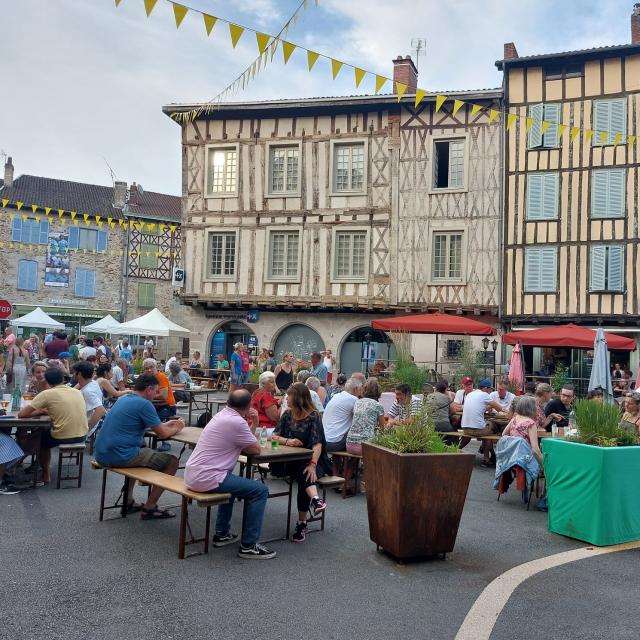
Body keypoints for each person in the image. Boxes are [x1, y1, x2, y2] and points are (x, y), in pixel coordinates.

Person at [183, 390, 276, 559]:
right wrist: (254, 421)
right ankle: (249, 545)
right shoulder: (236, 422)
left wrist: (253, 423)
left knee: (233, 484)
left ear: (228, 402)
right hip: (208, 477)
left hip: (195, 474)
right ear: (249, 406)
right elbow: (254, 449)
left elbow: (246, 443)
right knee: (260, 490)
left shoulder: (222, 415)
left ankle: (222, 533)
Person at [95, 374, 185, 519]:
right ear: (149, 389)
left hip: (101, 453)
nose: (156, 394)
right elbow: (162, 434)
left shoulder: (124, 398)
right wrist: (178, 427)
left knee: (140, 453)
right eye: (155, 391)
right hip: (119, 455)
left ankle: (128, 502)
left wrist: (165, 425)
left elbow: (149, 424)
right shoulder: (144, 404)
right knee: (172, 462)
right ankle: (150, 508)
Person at [273, 383, 330, 543]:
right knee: (303, 472)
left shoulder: (313, 416)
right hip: (290, 461)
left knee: (305, 473)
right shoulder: (287, 415)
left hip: (314, 461)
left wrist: (312, 464)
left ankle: (302, 522)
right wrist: (289, 441)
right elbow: (275, 436)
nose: (286, 398)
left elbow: (317, 444)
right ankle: (314, 502)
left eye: (289, 396)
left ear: (298, 398)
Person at [18, 367, 88, 484]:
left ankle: (45, 474)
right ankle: (31, 464)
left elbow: (22, 414)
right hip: (82, 434)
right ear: (62, 379)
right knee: (42, 433)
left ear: (47, 381)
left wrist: (40, 411)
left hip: (63, 436)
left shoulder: (47, 394)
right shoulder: (76, 391)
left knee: (41, 439)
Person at [459, 378, 507, 465]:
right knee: (493, 426)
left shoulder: (470, 394)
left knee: (486, 428)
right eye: (489, 390)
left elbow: (478, 408)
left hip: (465, 428)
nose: (490, 392)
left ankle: (487, 457)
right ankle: (488, 458)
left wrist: (487, 407)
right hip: (478, 431)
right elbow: (498, 407)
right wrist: (506, 411)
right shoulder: (484, 395)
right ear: (485, 388)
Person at [322, 377, 363, 452]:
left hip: (324, 440)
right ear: (356, 389)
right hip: (335, 442)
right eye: (361, 389)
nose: (361, 392)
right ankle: (352, 463)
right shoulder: (354, 400)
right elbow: (361, 421)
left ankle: (341, 463)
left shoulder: (336, 396)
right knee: (358, 438)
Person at [346, 379, 385, 455]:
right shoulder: (378, 405)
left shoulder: (357, 402)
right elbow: (382, 429)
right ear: (378, 391)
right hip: (366, 447)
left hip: (349, 445)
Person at [501, 395, 543, 465]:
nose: (538, 408)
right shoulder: (531, 424)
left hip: (512, 456)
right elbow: (535, 450)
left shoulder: (515, 419)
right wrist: (543, 464)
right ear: (531, 408)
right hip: (525, 459)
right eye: (536, 406)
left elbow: (503, 435)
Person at [74, 361, 106, 429]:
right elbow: (74, 389)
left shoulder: (87, 391)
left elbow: (100, 410)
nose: (73, 374)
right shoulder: (92, 382)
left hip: (87, 429)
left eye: (74, 372)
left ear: (79, 374)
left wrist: (87, 429)